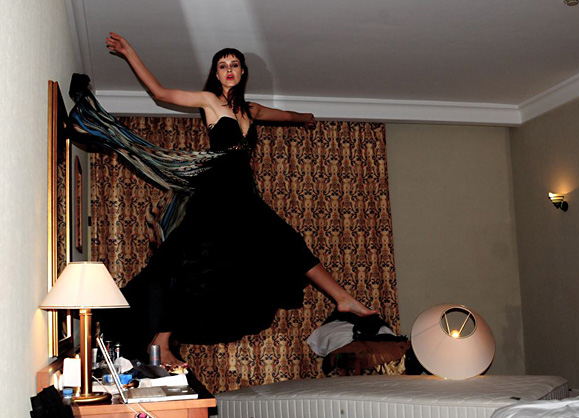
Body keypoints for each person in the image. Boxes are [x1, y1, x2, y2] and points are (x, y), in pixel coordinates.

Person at [101, 33, 378, 367]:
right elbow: (160, 93)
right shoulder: (209, 101)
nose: (229, 69)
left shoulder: (251, 109)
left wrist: (306, 117)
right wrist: (129, 52)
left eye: (234, 64)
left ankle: (343, 298)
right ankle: (160, 341)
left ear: (243, 71)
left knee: (288, 242)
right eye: (222, 65)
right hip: (215, 194)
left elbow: (287, 117)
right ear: (216, 74)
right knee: (179, 263)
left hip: (243, 196)